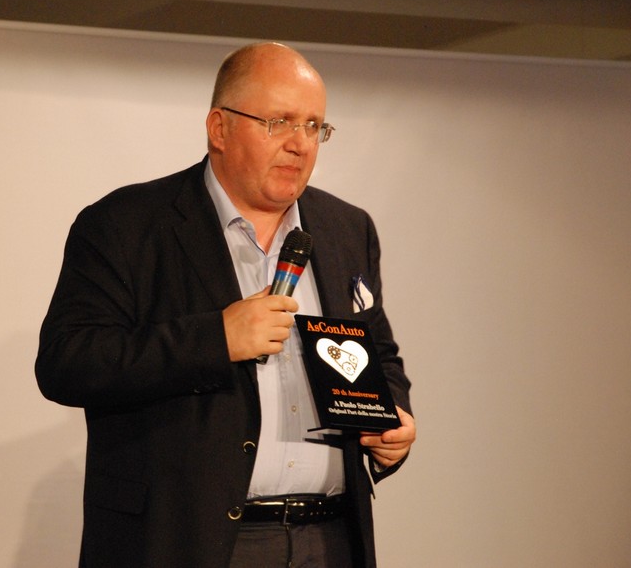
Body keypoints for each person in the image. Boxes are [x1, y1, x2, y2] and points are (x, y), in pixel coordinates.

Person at [36, 42, 415, 568]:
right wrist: (217, 338)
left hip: (330, 539)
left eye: (313, 126)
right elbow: (67, 363)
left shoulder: (347, 229)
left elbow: (379, 354)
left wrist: (394, 419)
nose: (300, 144)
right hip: (187, 543)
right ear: (220, 128)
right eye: (279, 122)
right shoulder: (126, 224)